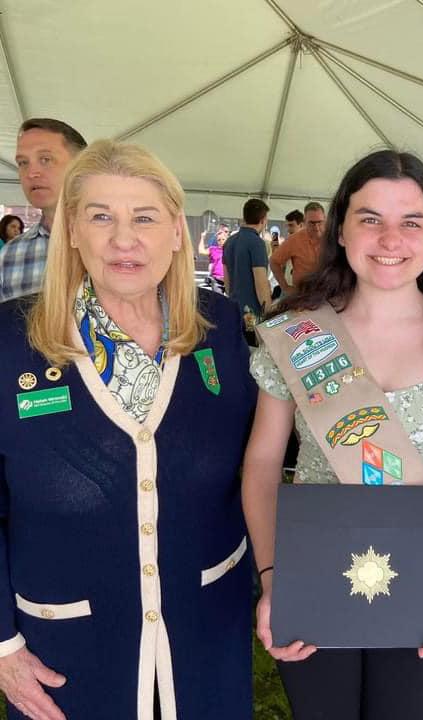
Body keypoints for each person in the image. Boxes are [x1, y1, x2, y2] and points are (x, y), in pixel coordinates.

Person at [243, 150, 423, 719]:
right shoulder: (296, 333)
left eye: (411, 221)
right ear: (340, 229)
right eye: (370, 218)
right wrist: (272, 577)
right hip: (311, 572)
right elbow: (262, 463)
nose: (390, 239)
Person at [0, 140, 257, 719]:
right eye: (101, 217)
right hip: (70, 649)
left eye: (144, 218)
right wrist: (2, 646)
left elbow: (260, 461)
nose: (124, 239)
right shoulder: (10, 341)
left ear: (176, 232)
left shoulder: (217, 329)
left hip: (204, 635)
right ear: (71, 231)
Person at [0, 118, 87, 301]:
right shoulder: (9, 256)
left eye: (45, 159)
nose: (31, 173)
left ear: (82, 166)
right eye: (23, 163)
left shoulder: (121, 243)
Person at [222, 198, 272, 343]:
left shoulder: (229, 242)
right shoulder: (257, 243)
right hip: (252, 313)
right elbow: (261, 282)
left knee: (236, 348)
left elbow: (227, 282)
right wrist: (268, 312)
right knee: (252, 352)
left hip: (233, 309)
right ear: (263, 220)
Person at [269, 201, 326, 294]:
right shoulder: (294, 240)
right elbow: (274, 261)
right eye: (312, 223)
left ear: (325, 219)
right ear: (305, 221)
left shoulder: (334, 238)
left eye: (320, 222)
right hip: (303, 295)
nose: (316, 227)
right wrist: (285, 287)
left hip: (328, 294)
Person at [206, 224, 229, 293]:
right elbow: (209, 248)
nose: (226, 233)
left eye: (227, 231)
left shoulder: (229, 241)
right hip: (216, 269)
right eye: (225, 231)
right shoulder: (215, 239)